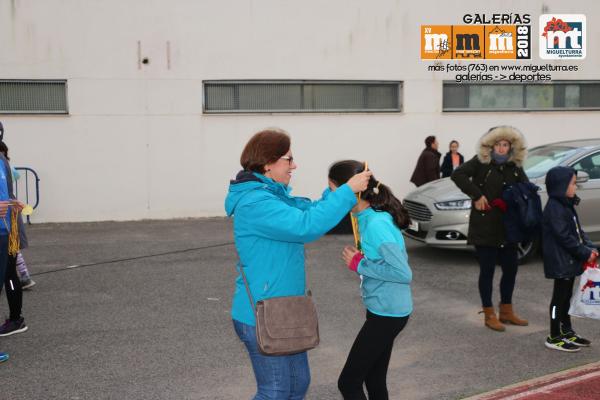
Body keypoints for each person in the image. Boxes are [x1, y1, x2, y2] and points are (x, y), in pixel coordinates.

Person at [225, 128, 371, 399]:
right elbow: (306, 226)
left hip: (286, 310)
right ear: (268, 163)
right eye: (288, 159)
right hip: (263, 313)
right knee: (276, 391)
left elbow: (309, 210)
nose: (294, 165)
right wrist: (347, 192)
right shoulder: (256, 202)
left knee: (297, 384)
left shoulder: (274, 195)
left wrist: (335, 192)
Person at [329, 160, 412, 400]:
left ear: (354, 191)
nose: (335, 198)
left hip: (388, 312)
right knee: (374, 379)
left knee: (349, 382)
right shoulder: (365, 214)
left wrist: (359, 264)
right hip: (382, 309)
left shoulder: (376, 223)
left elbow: (403, 273)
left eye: (336, 192)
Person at [451, 126, 529, 332]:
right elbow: (457, 174)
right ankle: (488, 313)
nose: (502, 149)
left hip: (508, 227)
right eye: (498, 144)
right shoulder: (480, 163)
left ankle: (506, 310)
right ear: (490, 145)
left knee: (511, 269)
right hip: (485, 225)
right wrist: (477, 195)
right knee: (487, 271)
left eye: (506, 145)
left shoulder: (514, 166)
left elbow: (525, 188)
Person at [542, 166, 598, 352]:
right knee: (559, 299)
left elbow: (578, 232)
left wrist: (590, 248)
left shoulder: (566, 204)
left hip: (569, 260)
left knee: (566, 298)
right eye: (573, 183)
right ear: (560, 185)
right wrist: (584, 252)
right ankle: (554, 335)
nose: (575, 187)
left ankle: (566, 330)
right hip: (561, 261)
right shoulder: (555, 208)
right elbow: (565, 237)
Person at [0, 141, 35, 289]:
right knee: (14, 253)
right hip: (8, 217)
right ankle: (24, 277)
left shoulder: (3, 164)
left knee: (12, 256)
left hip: (8, 219)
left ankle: (22, 279)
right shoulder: (6, 163)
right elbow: (16, 176)